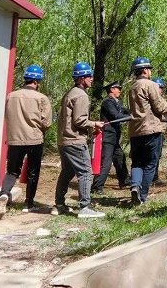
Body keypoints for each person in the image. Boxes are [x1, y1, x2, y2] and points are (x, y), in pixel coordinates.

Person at [0, 65, 52, 218]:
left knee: (12, 170)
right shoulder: (41, 98)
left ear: (26, 79)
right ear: (37, 81)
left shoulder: (11, 96)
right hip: (34, 139)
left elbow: (7, 115)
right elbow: (47, 123)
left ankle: (4, 194)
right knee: (33, 171)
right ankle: (29, 204)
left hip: (15, 139)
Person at [127, 57, 167, 205]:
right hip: (151, 130)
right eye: (149, 68)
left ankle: (134, 186)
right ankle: (142, 196)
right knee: (150, 164)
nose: (151, 71)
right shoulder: (150, 85)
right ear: (145, 70)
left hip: (135, 131)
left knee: (137, 162)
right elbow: (159, 106)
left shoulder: (132, 87)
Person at [53, 62, 105, 218]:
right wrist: (94, 123)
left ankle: (60, 204)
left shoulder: (70, 93)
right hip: (75, 141)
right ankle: (85, 207)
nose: (91, 79)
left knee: (67, 172)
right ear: (81, 78)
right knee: (85, 172)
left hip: (64, 140)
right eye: (89, 76)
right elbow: (79, 120)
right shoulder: (81, 95)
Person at [92, 81, 130, 195]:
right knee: (106, 163)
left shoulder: (117, 102)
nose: (120, 90)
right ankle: (97, 187)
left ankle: (124, 181)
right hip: (107, 137)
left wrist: (138, 113)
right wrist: (131, 117)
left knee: (120, 158)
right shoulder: (107, 102)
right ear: (112, 89)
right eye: (118, 88)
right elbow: (116, 115)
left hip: (114, 138)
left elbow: (125, 111)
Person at [151, 77, 167, 187]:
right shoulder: (153, 99)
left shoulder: (160, 99)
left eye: (162, 87)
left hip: (159, 130)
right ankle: (151, 179)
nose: (161, 90)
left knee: (157, 156)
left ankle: (154, 177)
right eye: (160, 87)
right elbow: (165, 109)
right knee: (153, 156)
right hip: (153, 131)